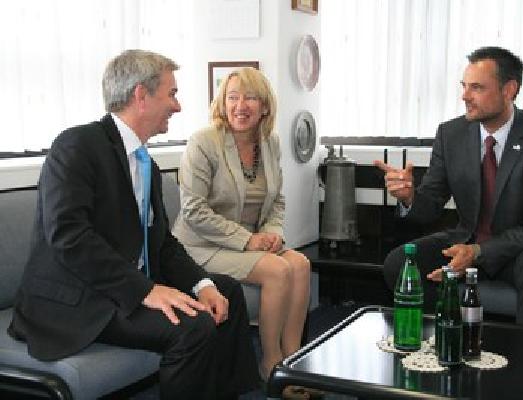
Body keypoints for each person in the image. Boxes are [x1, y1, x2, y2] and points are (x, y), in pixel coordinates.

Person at [8, 49, 259, 399]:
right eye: (171, 94)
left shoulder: (145, 164)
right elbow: (69, 237)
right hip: (77, 300)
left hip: (120, 285)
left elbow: (163, 243)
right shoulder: (77, 145)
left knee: (225, 292)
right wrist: (144, 290)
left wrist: (201, 283)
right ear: (141, 95)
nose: (177, 106)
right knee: (193, 327)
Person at [375, 46, 523, 330]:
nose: (465, 96)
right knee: (399, 262)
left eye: (477, 88)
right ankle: (441, 341)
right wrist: (409, 197)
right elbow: (430, 205)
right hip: (467, 241)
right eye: (464, 86)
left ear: (508, 90)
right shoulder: (451, 134)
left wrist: (479, 252)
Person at [172, 67, 311, 380]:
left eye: (250, 98)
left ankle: (293, 361)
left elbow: (276, 200)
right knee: (278, 270)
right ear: (222, 103)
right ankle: (270, 365)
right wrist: (247, 240)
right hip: (200, 245)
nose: (240, 105)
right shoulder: (203, 142)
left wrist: (272, 233)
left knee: (301, 265)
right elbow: (194, 210)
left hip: (249, 242)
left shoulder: (270, 142)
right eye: (232, 97)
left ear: (265, 106)